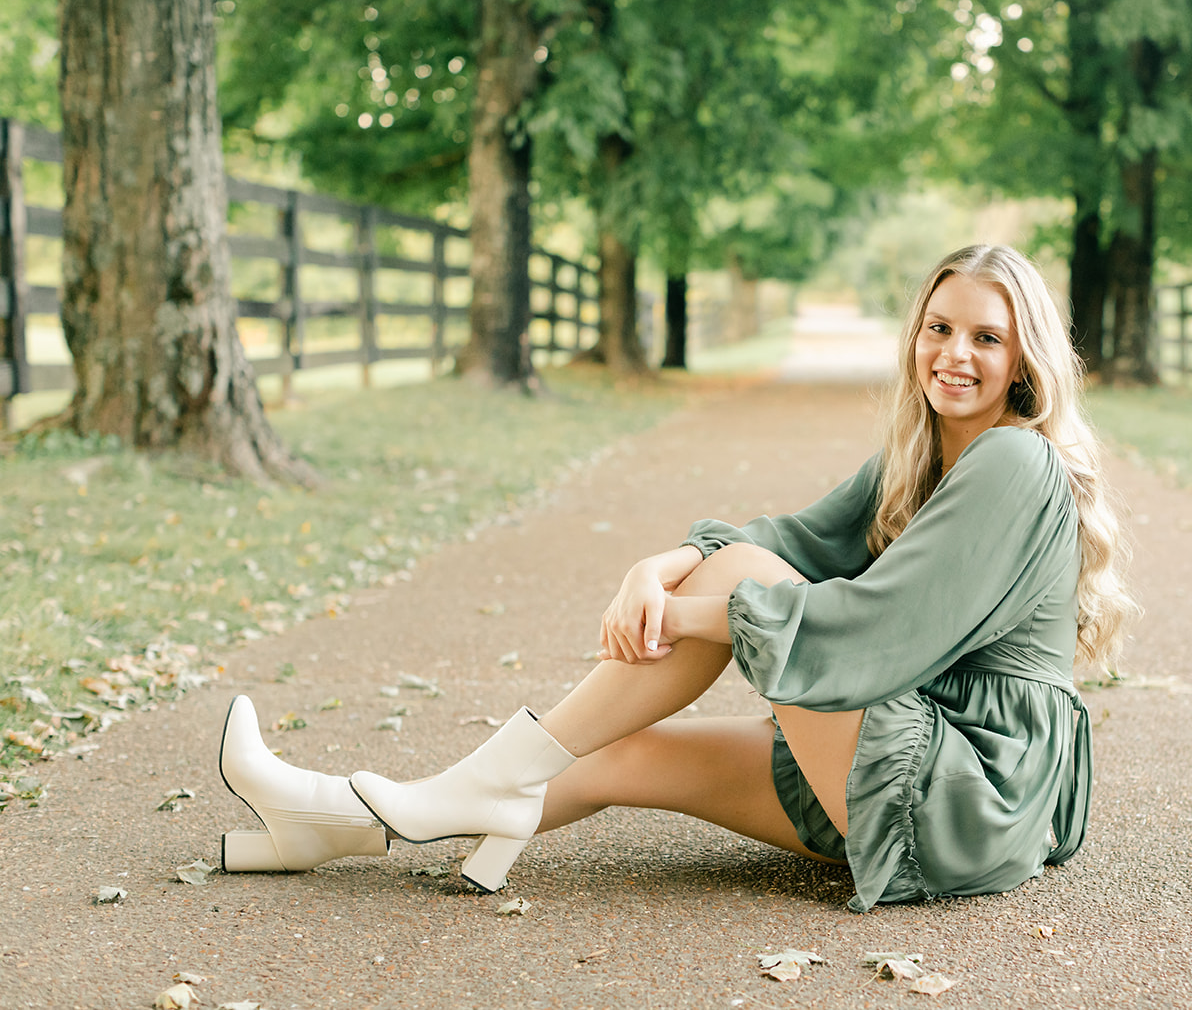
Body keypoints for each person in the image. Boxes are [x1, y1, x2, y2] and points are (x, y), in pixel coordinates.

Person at [217, 243, 1137, 912]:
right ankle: (332, 819)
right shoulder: (924, 451)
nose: (956, 354)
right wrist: (656, 564)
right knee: (620, 756)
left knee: (737, 580)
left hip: (970, 784)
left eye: (986, 336)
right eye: (939, 327)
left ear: (1026, 358)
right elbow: (794, 538)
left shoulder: (1016, 462)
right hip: (902, 757)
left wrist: (701, 611)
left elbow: (873, 625)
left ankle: (463, 787)